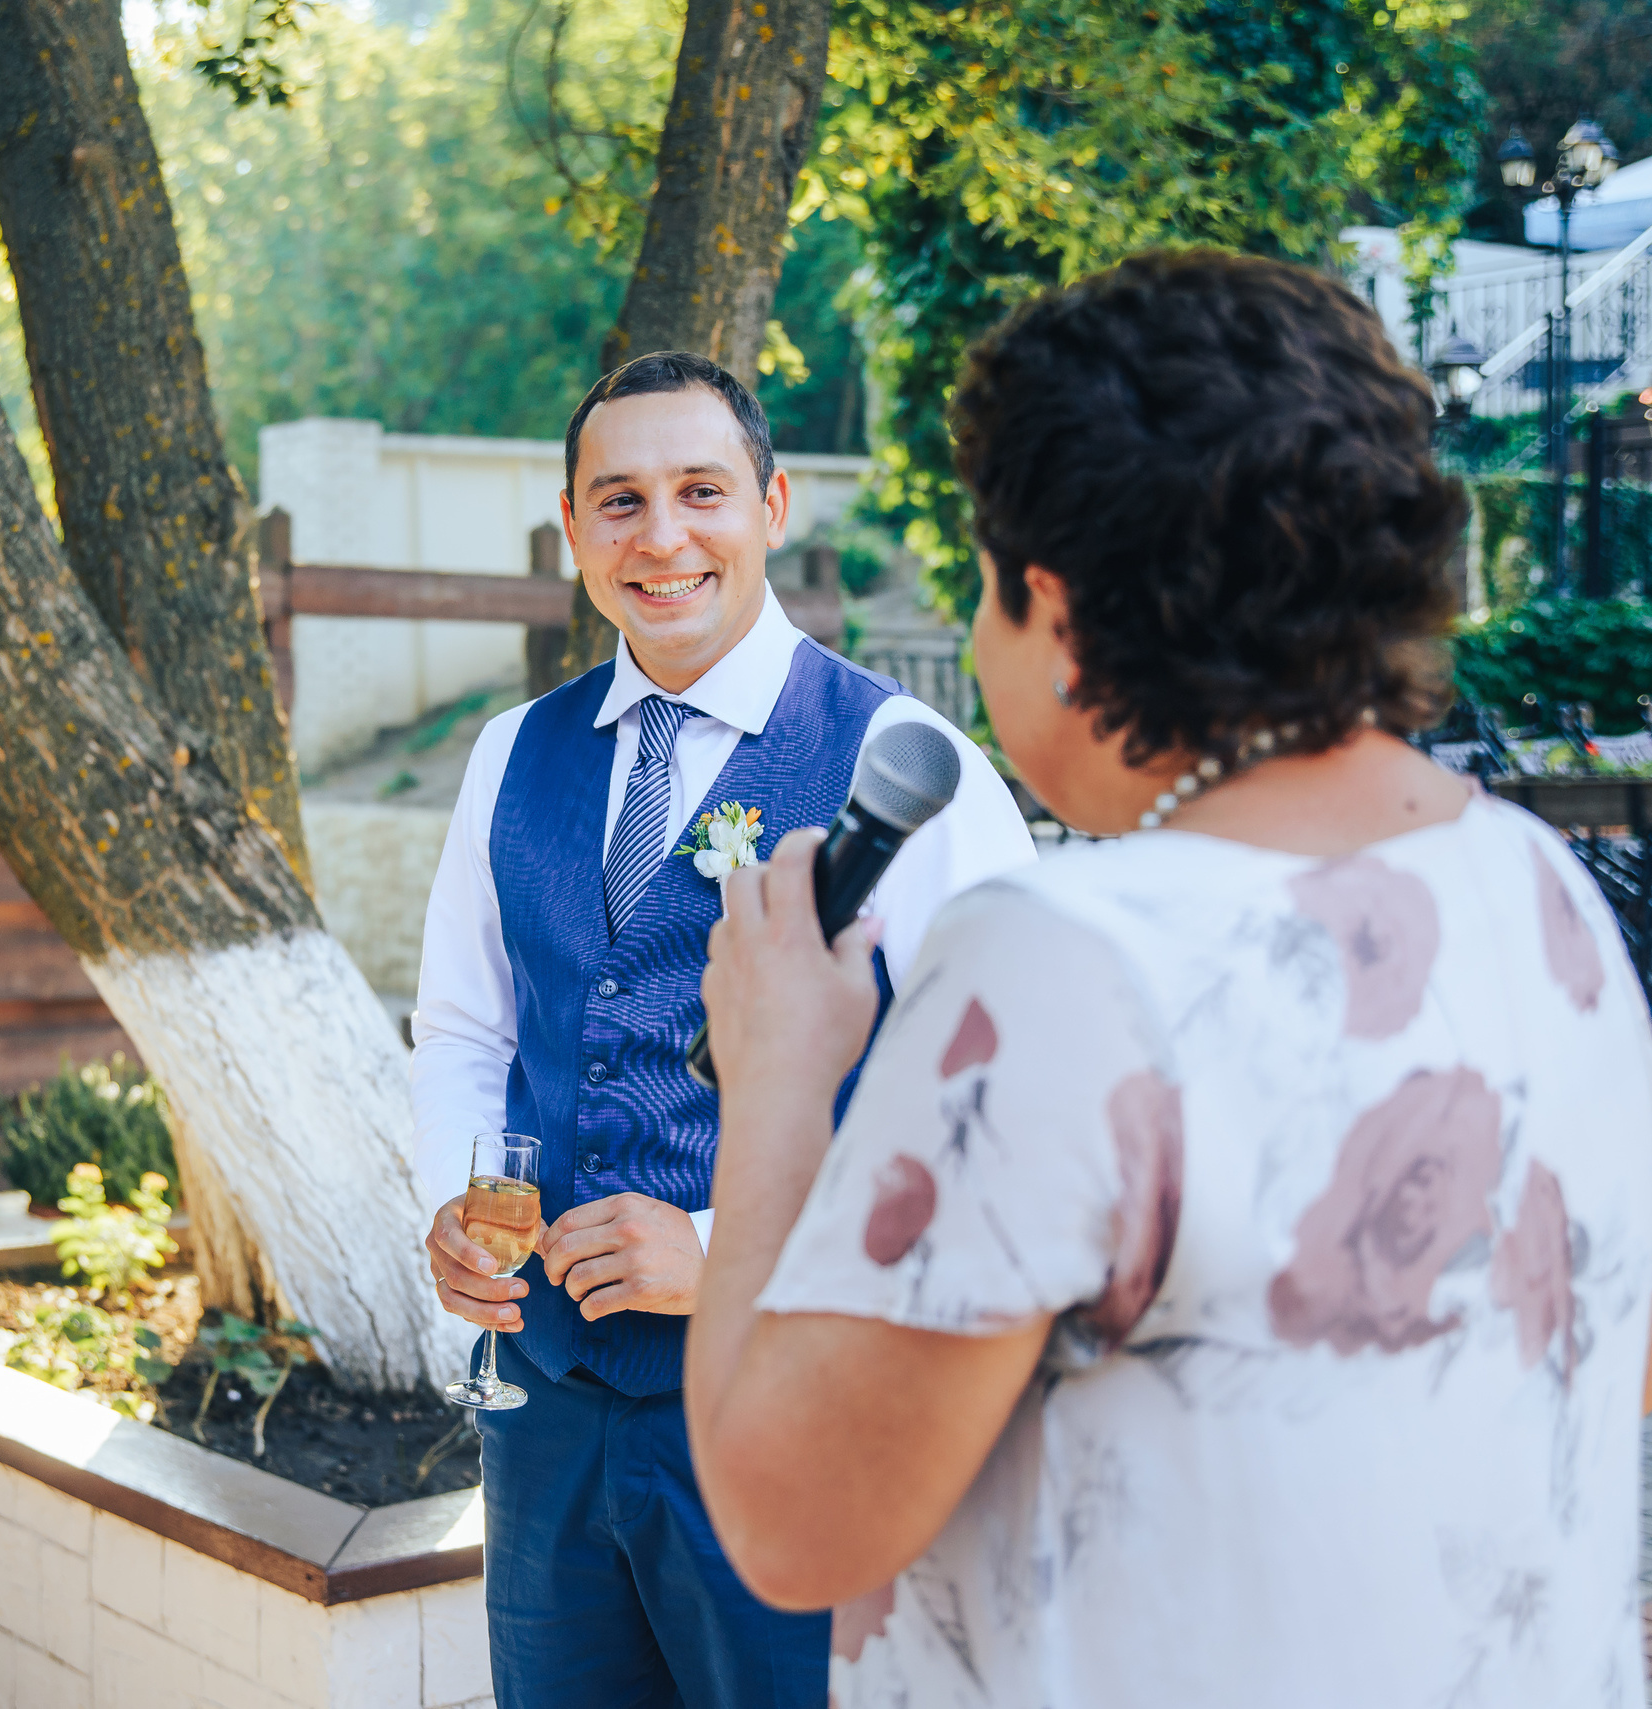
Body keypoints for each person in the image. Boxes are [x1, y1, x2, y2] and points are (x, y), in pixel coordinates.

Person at [687, 248, 1652, 1708]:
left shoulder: (1067, 961)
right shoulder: (1537, 888)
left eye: (988, 589)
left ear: (1058, 615)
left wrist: (772, 1080)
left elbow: (791, 1518)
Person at [412, 352, 1036, 1708]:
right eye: (619, 501)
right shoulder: (511, 753)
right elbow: (466, 1026)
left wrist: (715, 1250)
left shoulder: (908, 767)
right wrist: (457, 1206)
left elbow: (996, 1134)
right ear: (572, 530)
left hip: (790, 1413)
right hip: (547, 1419)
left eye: (701, 491)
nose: (663, 535)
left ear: (773, 504)